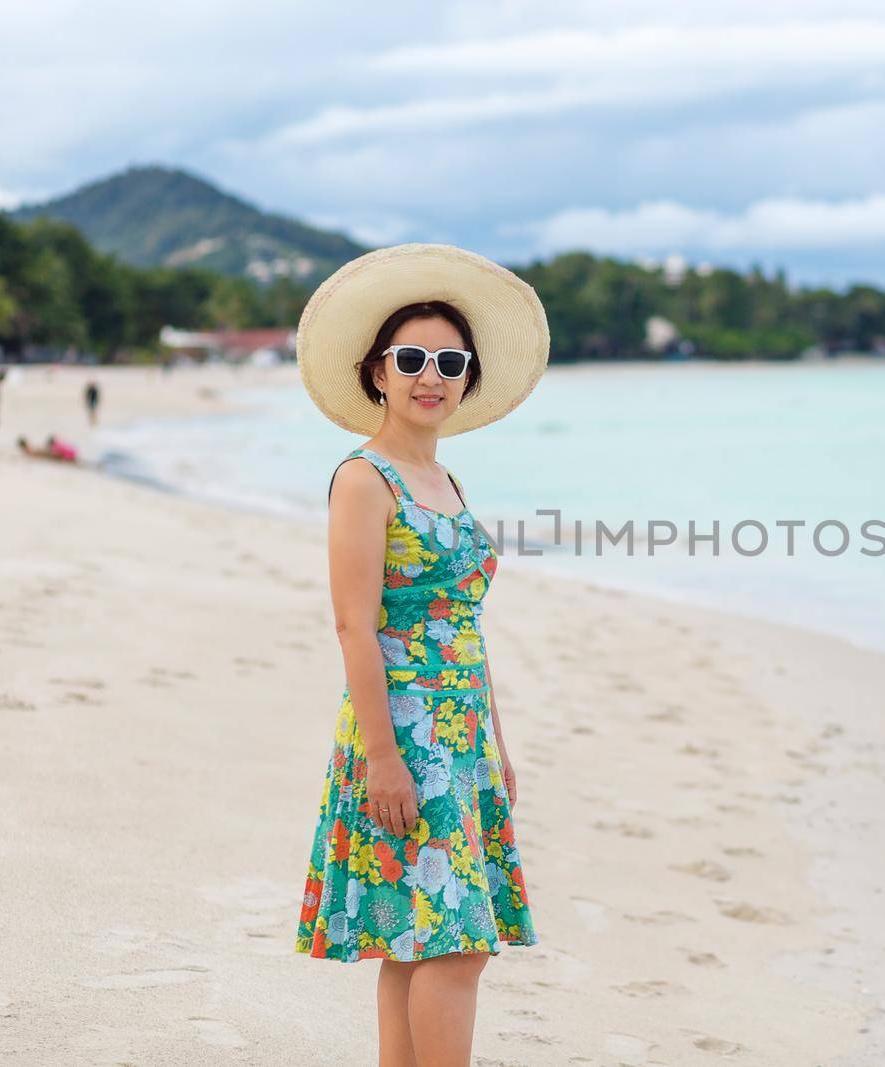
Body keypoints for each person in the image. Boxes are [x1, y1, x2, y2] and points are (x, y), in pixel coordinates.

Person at [293, 245, 548, 1067]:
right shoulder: (365, 479)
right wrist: (383, 757)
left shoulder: (444, 479)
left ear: (467, 377)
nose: (428, 375)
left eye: (449, 361)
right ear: (376, 373)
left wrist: (496, 745)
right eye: (410, 359)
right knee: (458, 940)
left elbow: (464, 626)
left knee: (420, 936)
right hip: (402, 733)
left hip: (461, 733)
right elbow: (352, 626)